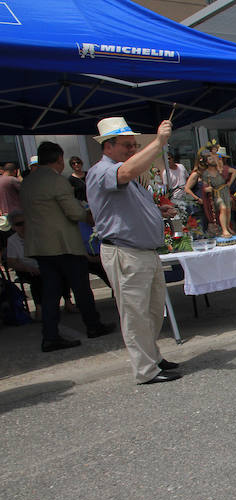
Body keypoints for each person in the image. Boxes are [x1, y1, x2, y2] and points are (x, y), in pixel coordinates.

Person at [86, 116, 182, 384]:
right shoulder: (102, 171)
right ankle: (145, 369)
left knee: (151, 311)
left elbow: (129, 202)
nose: (132, 150)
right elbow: (125, 174)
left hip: (142, 252)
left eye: (133, 145)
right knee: (135, 314)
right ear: (108, 146)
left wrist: (156, 210)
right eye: (127, 145)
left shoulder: (123, 173)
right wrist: (159, 142)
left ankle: (152, 358)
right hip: (126, 253)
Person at [22, 141, 114, 352]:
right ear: (58, 160)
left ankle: (50, 335)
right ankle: (93, 325)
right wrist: (88, 214)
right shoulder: (57, 181)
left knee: (51, 292)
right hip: (63, 244)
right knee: (81, 288)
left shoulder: (28, 182)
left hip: (40, 245)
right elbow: (74, 213)